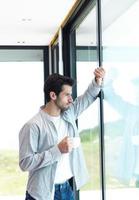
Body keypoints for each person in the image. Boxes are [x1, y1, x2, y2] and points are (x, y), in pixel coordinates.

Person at [19, 67, 105, 200]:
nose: (71, 99)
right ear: (53, 95)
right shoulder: (33, 126)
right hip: (41, 194)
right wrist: (57, 150)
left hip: (66, 189)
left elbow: (87, 97)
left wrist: (97, 80)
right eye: (67, 95)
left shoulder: (69, 114)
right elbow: (25, 163)